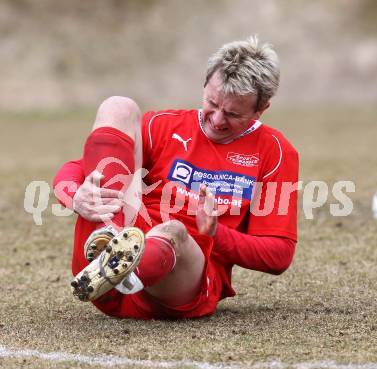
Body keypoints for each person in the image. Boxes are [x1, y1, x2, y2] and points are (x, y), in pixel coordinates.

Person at [53, 35, 298, 320]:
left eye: (233, 113)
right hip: (116, 242)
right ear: (205, 85)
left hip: (178, 283)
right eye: (212, 103)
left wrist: (217, 234)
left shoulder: (275, 152)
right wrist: (76, 196)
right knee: (118, 106)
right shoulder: (163, 125)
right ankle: (109, 240)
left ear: (261, 108)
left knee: (174, 232)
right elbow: (73, 169)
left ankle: (125, 270)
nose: (218, 120)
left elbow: (279, 254)